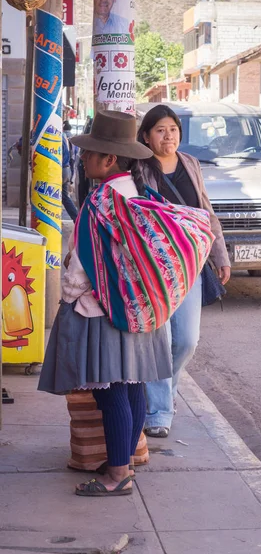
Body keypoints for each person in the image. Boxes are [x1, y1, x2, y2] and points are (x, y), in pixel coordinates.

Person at [38, 111, 176, 496]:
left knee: (110, 391)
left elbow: (84, 265)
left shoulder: (102, 200)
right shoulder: (136, 191)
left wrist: (68, 295)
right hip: (134, 307)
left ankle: (117, 475)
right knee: (130, 386)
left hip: (100, 310)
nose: (84, 158)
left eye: (91, 152)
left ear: (110, 159)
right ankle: (124, 461)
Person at [137, 104, 231, 437]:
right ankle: (159, 411)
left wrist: (221, 255)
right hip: (154, 266)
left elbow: (206, 212)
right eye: (160, 130)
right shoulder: (138, 167)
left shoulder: (190, 164)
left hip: (190, 262)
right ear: (147, 135)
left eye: (173, 129)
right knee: (160, 339)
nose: (168, 136)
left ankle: (162, 395)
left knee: (188, 340)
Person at [62, 124, 78, 222]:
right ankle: (76, 219)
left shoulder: (52, 136)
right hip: (66, 169)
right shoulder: (64, 137)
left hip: (59, 170)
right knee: (65, 197)